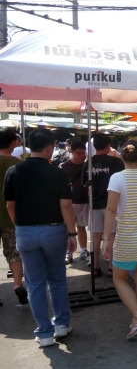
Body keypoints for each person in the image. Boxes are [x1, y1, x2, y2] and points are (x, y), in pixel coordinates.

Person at [4, 129, 76, 347]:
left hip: (25, 232)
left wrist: (20, 226)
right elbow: (66, 205)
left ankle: (44, 333)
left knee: (35, 283)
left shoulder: (14, 171)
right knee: (57, 279)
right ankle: (62, 324)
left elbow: (10, 205)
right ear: (50, 148)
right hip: (54, 231)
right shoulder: (58, 172)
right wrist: (72, 233)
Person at [102, 140, 137, 339]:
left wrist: (106, 238)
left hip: (127, 238)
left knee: (119, 279)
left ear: (121, 157)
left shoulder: (117, 178)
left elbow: (110, 209)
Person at [82, 133, 125, 277]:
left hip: (94, 203)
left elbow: (85, 185)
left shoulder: (87, 163)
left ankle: (95, 267)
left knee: (96, 236)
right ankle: (111, 267)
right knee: (112, 235)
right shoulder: (116, 162)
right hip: (111, 205)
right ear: (108, 146)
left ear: (94, 146)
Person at [0, 127, 28, 305]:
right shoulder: (18, 164)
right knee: (14, 253)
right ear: (12, 142)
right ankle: (18, 284)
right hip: (11, 216)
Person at [59, 141, 90, 264]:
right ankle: (68, 252)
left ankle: (83, 250)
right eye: (79, 153)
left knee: (82, 227)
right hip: (69, 202)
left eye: (83, 153)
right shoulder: (64, 166)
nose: (82, 155)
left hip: (84, 200)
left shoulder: (87, 165)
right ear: (72, 152)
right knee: (68, 228)